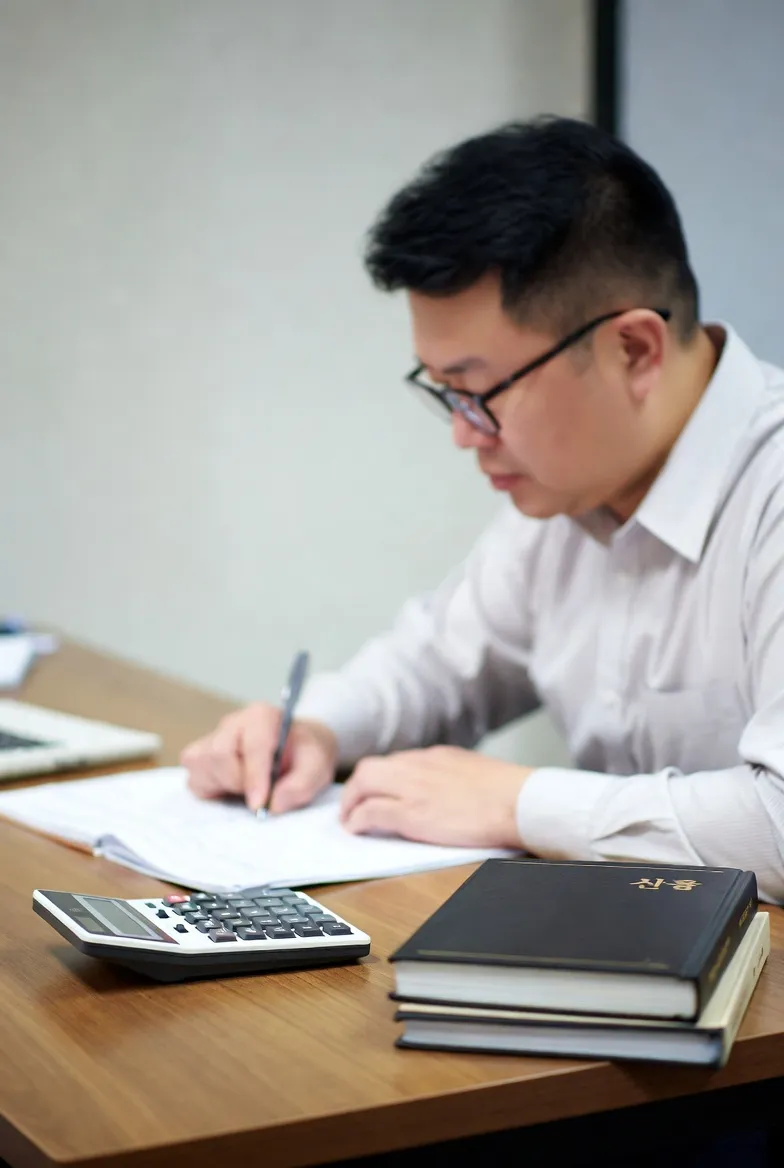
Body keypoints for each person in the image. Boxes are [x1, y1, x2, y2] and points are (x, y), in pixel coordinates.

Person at [182, 116, 784, 903]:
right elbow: (437, 664)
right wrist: (316, 729)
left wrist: (516, 803)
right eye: (445, 393)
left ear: (633, 350)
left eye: (481, 392)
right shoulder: (571, 496)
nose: (465, 435)